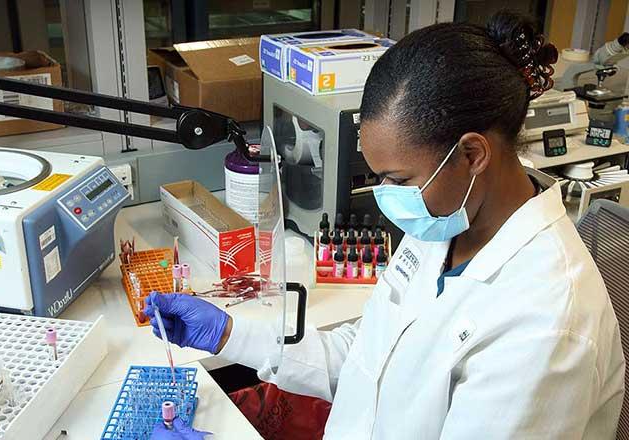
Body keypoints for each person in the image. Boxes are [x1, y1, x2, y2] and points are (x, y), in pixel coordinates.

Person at [147, 11, 625, 439]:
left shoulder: (545, 327)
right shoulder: (444, 225)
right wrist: (232, 335)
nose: (385, 195)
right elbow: (370, 357)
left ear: (473, 154)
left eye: (398, 178)